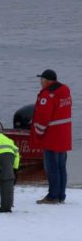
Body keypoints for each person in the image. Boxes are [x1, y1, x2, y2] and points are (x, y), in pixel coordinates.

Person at [31, 69, 72, 204]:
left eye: (41, 80)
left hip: (52, 136)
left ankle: (53, 196)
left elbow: (43, 118)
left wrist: (38, 132)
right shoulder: (64, 91)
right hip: (64, 135)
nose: (40, 82)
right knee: (61, 167)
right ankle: (61, 195)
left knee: (52, 167)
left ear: (47, 81)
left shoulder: (47, 96)